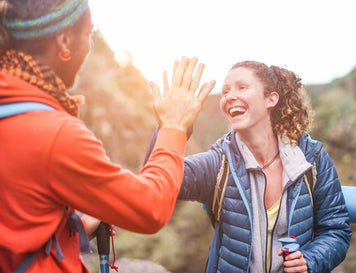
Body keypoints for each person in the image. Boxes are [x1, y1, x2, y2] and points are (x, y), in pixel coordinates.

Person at [0, 0, 215, 272]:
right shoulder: (54, 132)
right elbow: (150, 208)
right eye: (87, 34)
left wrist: (74, 227)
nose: (89, 46)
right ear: (64, 41)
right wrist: (174, 127)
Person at [146, 61, 352, 272]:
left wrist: (310, 260)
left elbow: (336, 230)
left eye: (242, 87)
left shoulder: (312, 159)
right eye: (225, 91)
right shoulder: (219, 164)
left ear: (270, 99)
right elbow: (154, 185)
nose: (229, 96)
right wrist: (173, 125)